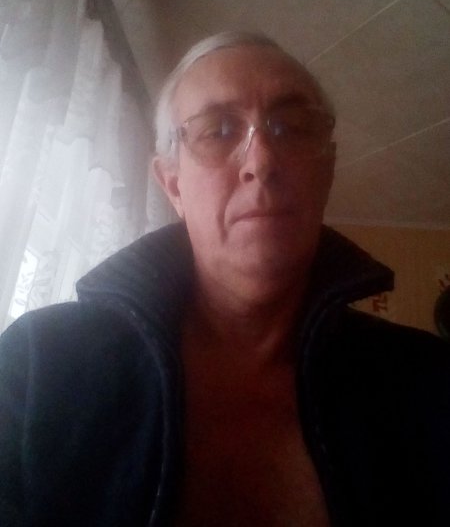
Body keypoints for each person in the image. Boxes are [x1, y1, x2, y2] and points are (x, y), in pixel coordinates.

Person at [1, 32, 450, 527]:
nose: (262, 161)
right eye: (217, 131)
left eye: (293, 127)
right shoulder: (37, 365)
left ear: (326, 170)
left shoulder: (429, 383)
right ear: (173, 184)